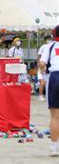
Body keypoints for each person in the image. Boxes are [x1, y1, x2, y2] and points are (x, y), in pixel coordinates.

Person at [38, 25, 59, 157]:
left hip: (55, 77)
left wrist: (43, 71)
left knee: (55, 116)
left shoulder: (49, 46)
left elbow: (42, 63)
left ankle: (54, 147)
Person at [38, 35, 53, 102]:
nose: (49, 40)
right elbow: (39, 56)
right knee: (42, 82)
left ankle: (49, 96)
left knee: (49, 83)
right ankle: (40, 95)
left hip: (50, 67)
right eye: (48, 39)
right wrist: (40, 66)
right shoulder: (43, 47)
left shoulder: (54, 46)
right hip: (42, 65)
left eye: (50, 39)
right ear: (45, 40)